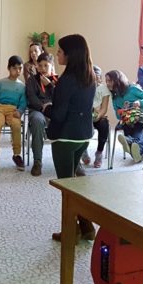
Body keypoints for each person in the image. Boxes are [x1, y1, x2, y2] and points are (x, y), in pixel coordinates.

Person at [45, 35, 96, 242]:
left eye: (60, 51)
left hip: (65, 138)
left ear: (70, 54)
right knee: (73, 184)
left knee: (67, 188)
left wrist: (46, 108)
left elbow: (58, 115)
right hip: (83, 136)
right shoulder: (90, 77)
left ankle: (71, 232)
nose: (57, 54)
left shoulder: (66, 81)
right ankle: (87, 227)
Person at [0, 55, 27, 171]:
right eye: (15, 68)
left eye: (20, 68)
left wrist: (20, 111)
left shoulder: (22, 86)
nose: (17, 71)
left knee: (16, 125)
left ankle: (17, 154)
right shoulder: (1, 82)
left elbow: (23, 102)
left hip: (13, 110)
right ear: (9, 68)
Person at [106, 70, 143, 163]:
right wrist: (121, 111)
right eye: (106, 81)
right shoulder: (114, 97)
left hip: (141, 115)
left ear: (118, 80)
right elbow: (117, 115)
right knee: (126, 120)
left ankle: (130, 141)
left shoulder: (132, 89)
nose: (107, 84)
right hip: (127, 119)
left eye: (110, 81)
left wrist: (139, 102)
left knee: (135, 121)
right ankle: (135, 147)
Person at [26, 52, 58, 176]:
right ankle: (37, 161)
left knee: (68, 118)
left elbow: (61, 99)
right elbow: (31, 98)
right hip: (38, 111)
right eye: (40, 65)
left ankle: (75, 162)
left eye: (46, 65)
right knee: (37, 120)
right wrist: (43, 107)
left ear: (52, 66)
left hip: (55, 111)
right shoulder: (32, 80)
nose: (43, 68)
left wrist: (50, 86)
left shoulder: (58, 80)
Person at [81, 66, 110, 168]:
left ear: (100, 78)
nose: (94, 80)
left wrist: (98, 116)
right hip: (85, 116)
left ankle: (99, 153)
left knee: (104, 125)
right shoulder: (83, 88)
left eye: (96, 77)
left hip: (98, 115)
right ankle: (83, 150)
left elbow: (104, 108)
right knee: (81, 125)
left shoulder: (104, 89)